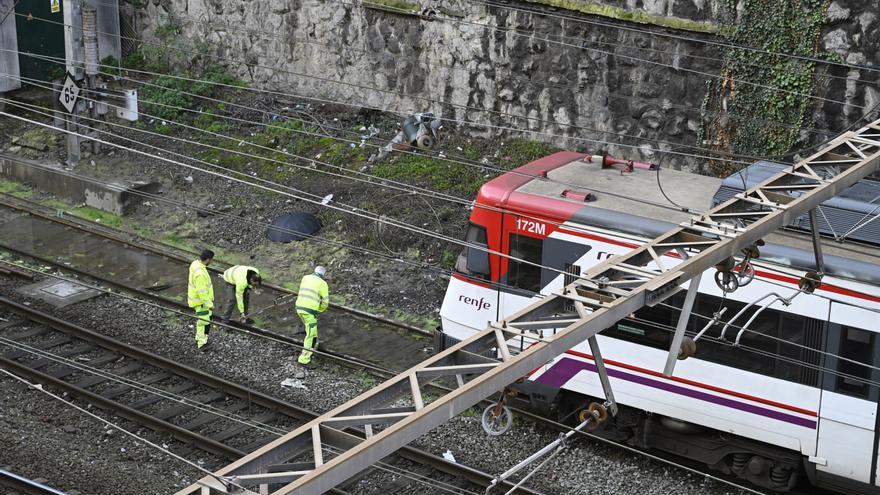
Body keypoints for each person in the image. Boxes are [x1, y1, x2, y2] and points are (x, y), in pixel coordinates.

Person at [295, 265, 329, 368]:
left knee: (311, 329)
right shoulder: (323, 283)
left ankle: (315, 345)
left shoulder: (305, 277)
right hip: (309, 311)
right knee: (310, 334)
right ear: (323, 275)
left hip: (299, 307)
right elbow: (325, 302)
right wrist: (319, 310)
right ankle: (304, 359)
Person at [188, 249, 215, 350]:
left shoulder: (195, 264)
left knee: (204, 320)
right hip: (201, 302)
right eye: (211, 260)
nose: (211, 262)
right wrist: (210, 304)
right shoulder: (200, 274)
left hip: (197, 299)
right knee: (204, 321)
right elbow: (202, 292)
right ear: (207, 259)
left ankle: (199, 338)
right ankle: (201, 344)